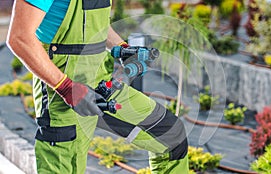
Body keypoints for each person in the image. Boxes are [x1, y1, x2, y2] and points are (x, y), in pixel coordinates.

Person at [7, 0, 189, 173]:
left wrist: (120, 48)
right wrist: (66, 87)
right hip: (61, 92)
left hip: (101, 82)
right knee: (67, 164)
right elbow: (20, 38)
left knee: (170, 136)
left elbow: (95, 22)